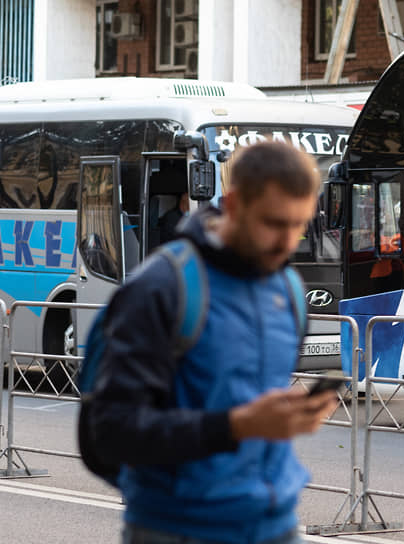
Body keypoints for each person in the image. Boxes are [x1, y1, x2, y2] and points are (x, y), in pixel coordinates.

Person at [88, 141, 338, 544]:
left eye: (299, 225)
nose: (287, 242)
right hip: (178, 530)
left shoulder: (289, 288)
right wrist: (236, 426)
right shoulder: (162, 288)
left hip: (276, 526)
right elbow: (110, 433)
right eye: (273, 223)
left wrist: (289, 417)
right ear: (234, 205)